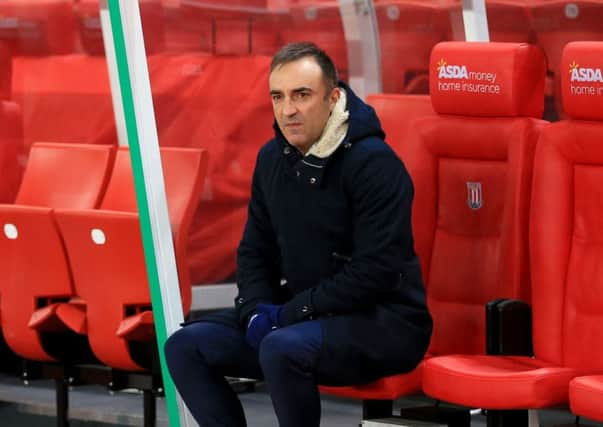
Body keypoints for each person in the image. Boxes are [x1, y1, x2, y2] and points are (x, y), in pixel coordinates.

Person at [165, 42, 432, 427]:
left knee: (281, 348)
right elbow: (254, 252)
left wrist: (290, 314)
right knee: (185, 346)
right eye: (278, 96)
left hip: (385, 324)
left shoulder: (376, 164)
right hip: (304, 318)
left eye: (302, 95)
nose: (288, 110)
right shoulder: (271, 159)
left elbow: (375, 273)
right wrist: (257, 309)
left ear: (333, 97)